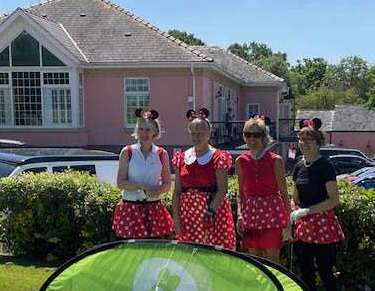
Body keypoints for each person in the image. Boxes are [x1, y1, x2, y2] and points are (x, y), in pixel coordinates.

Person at [291, 118, 345, 291]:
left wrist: (308, 211)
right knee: (306, 274)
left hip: (323, 225)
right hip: (304, 226)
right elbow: (295, 196)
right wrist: (294, 212)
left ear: (318, 142)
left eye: (308, 139)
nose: (304, 143)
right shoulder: (298, 166)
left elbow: (334, 200)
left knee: (325, 273)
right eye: (301, 139)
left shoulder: (325, 166)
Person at [172, 108, 236, 249]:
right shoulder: (181, 158)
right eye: (193, 133)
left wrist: (210, 211)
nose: (196, 137)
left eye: (200, 133)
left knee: (214, 255)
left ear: (208, 134)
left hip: (213, 215)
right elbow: (177, 192)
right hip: (188, 217)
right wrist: (176, 219)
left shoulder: (218, 157)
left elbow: (222, 190)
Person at [235, 115, 291, 263]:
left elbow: (284, 193)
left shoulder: (275, 160)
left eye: (256, 135)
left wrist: (289, 223)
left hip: (272, 214)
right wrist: (240, 215)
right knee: (255, 262)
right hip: (250, 214)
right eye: (248, 135)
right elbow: (241, 192)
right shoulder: (240, 161)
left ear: (263, 137)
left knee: (273, 261)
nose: (252, 139)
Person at [112, 109, 173, 239]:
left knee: (154, 253)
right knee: (130, 254)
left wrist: (157, 190)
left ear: (155, 131)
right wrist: (142, 186)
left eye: (147, 130)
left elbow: (168, 183)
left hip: (154, 208)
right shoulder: (127, 152)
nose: (144, 133)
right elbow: (121, 183)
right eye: (141, 129)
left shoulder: (162, 154)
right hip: (129, 209)